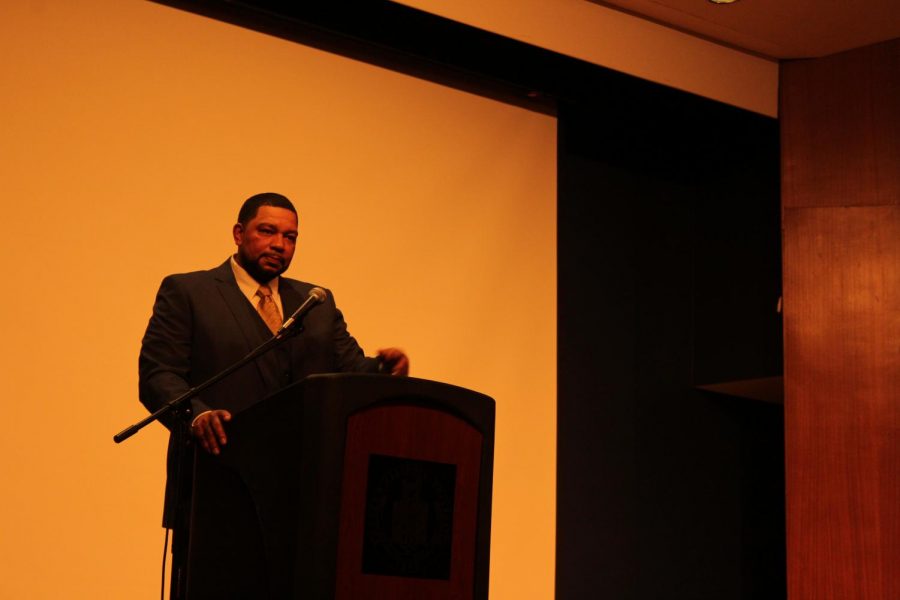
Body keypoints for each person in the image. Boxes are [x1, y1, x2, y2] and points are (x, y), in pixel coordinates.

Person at [138, 192, 408, 594]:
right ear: (238, 232)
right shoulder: (189, 292)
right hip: (215, 491)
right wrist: (195, 415)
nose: (279, 245)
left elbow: (351, 373)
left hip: (301, 500)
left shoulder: (315, 302)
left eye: (291, 236)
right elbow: (159, 374)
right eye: (268, 231)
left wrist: (384, 371)